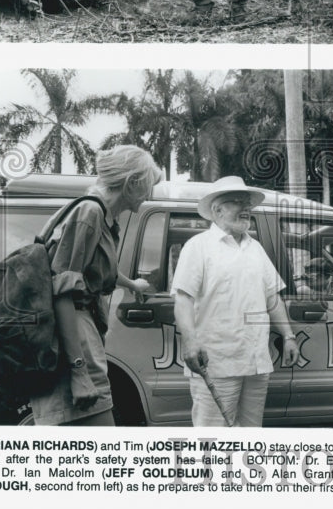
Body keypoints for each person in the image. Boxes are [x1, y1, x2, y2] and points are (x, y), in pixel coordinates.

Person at [29, 146, 162, 426]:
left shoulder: (98, 213)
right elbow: (62, 290)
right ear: (131, 183)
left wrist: (131, 284)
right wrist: (79, 372)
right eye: (148, 184)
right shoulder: (89, 213)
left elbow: (94, 268)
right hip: (73, 338)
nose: (150, 193)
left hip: (79, 334)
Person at [172, 177, 299, 426]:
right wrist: (190, 342)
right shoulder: (198, 247)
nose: (246, 208)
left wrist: (288, 336)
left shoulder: (256, 249)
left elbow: (272, 297)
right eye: (237, 202)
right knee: (214, 438)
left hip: (256, 360)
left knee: (251, 434)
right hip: (216, 362)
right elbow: (183, 298)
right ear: (217, 210)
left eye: (247, 203)